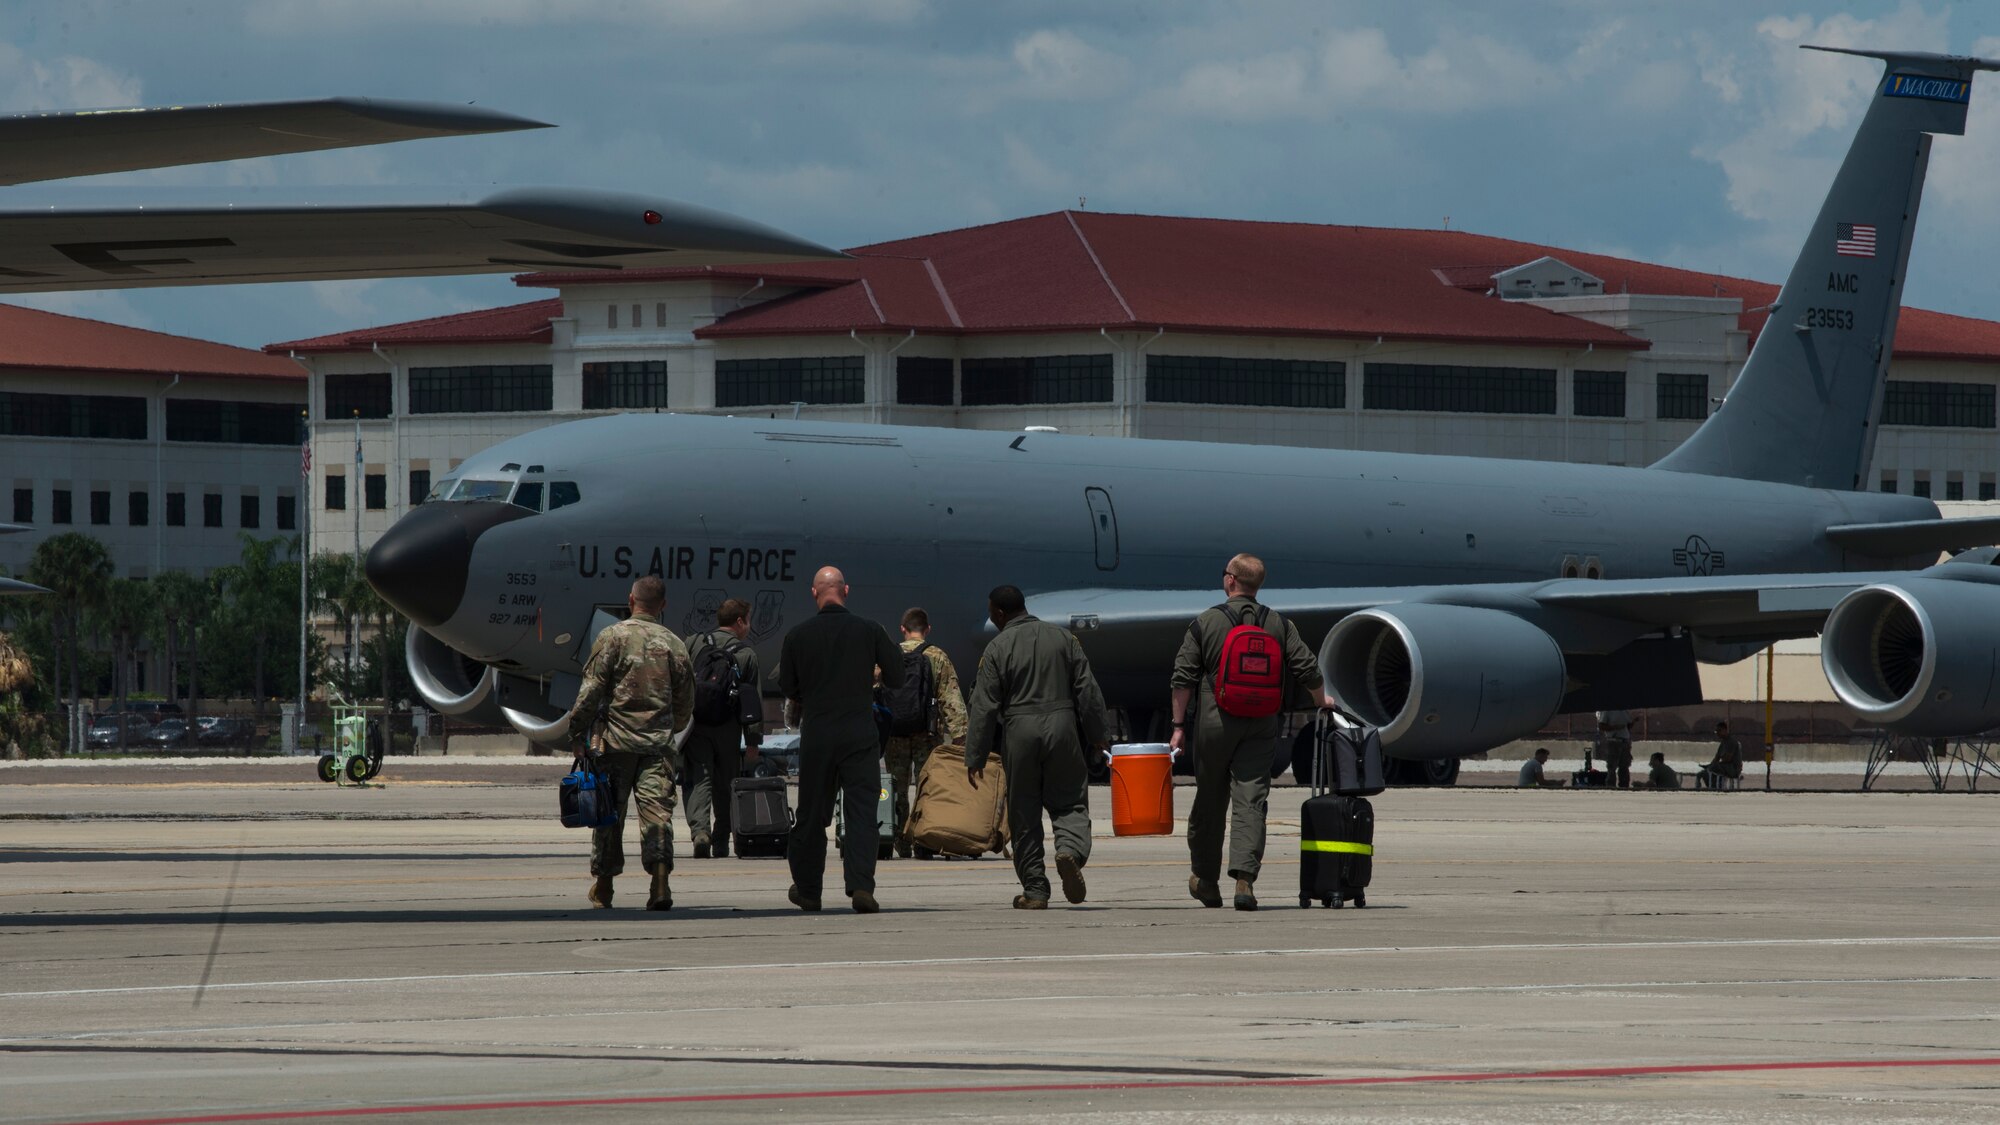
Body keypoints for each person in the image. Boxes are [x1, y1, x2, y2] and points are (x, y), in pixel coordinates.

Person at [1170, 554, 1332, 912]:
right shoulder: (1278, 624)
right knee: (1251, 799)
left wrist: (1179, 727)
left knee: (1210, 799)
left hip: (1216, 720)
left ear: (1230, 580)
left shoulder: (1206, 622)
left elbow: (1182, 679)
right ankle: (1244, 879)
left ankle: (1206, 880)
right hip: (1261, 721)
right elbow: (1307, 667)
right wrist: (1322, 700)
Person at [964, 584, 1109, 909]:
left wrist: (975, 754)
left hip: (1019, 732)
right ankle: (1070, 851)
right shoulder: (1063, 638)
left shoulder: (997, 648)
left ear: (999, 613)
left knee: (1023, 813)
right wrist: (1098, 732)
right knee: (1070, 802)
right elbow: (1087, 687)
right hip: (1062, 728)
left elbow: (984, 706)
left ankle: (1035, 890)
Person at [561, 576, 693, 912]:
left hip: (616, 745)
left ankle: (604, 887)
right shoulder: (674, 644)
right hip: (657, 747)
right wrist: (668, 728)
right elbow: (686, 702)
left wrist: (576, 733)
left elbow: (590, 690)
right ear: (662, 606)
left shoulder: (612, 638)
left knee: (608, 815)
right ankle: (660, 882)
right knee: (658, 815)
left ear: (630, 600)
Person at [778, 566, 903, 914]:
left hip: (818, 733)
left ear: (814, 593)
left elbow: (787, 687)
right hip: (859, 732)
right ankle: (861, 886)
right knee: (862, 812)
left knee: (811, 815)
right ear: (845, 590)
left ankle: (808, 890)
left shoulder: (798, 635)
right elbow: (897, 675)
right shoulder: (869, 630)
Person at [883, 607, 968, 859]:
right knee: (926, 786)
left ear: (903, 629)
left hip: (894, 734)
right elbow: (950, 698)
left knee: (896, 786)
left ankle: (899, 838)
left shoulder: (889, 656)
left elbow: (875, 690)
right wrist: (960, 733)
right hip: (926, 734)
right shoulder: (937, 655)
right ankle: (923, 839)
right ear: (927, 629)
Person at [682, 597, 763, 859]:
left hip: (697, 725)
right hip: (729, 728)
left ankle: (700, 832)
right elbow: (753, 702)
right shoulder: (746, 654)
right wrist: (753, 742)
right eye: (748, 620)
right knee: (726, 783)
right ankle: (720, 841)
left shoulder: (693, 643)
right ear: (739, 621)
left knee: (699, 779)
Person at [1697, 721, 1743, 790]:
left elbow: (1728, 759)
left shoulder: (1731, 742)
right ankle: (1711, 787)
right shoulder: (1723, 743)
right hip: (1724, 767)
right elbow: (1717, 757)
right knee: (1704, 773)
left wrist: (1714, 765)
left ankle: (1716, 787)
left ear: (1725, 730)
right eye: (1716, 731)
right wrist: (1710, 765)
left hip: (1733, 768)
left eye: (1719, 731)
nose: (1717, 733)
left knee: (1713, 768)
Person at [1595, 708, 1634, 789]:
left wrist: (1633, 722)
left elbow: (1627, 726)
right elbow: (1601, 725)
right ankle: (1610, 786)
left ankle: (1624, 786)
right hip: (1614, 740)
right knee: (1612, 767)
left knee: (1624, 766)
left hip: (1625, 741)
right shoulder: (1607, 710)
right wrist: (1615, 727)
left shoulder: (1624, 710)